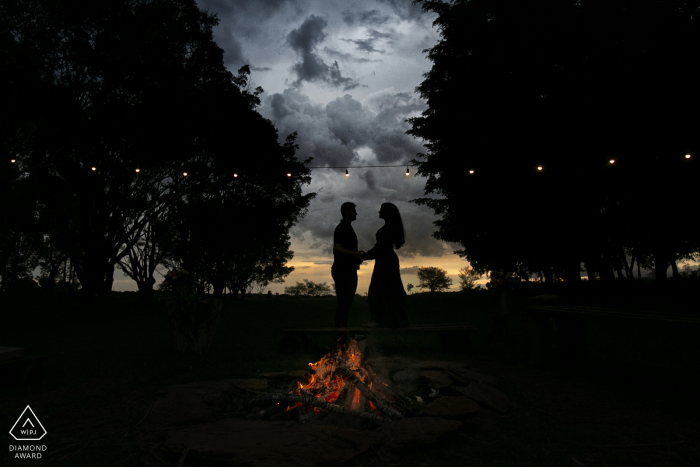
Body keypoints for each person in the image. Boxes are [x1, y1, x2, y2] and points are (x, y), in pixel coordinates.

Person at [362, 203, 408, 328]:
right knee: (391, 287)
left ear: (387, 212)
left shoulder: (387, 229)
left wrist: (365, 255)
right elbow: (381, 247)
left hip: (385, 260)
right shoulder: (391, 227)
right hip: (388, 259)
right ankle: (395, 319)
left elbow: (381, 247)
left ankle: (377, 320)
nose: (379, 212)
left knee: (378, 288)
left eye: (381, 210)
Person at [331, 202, 365, 330]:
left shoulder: (347, 227)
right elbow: (336, 249)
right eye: (353, 211)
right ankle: (340, 337)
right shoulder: (342, 228)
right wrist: (354, 254)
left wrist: (356, 256)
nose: (356, 213)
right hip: (343, 271)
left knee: (346, 304)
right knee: (344, 304)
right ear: (345, 212)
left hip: (347, 270)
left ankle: (341, 335)